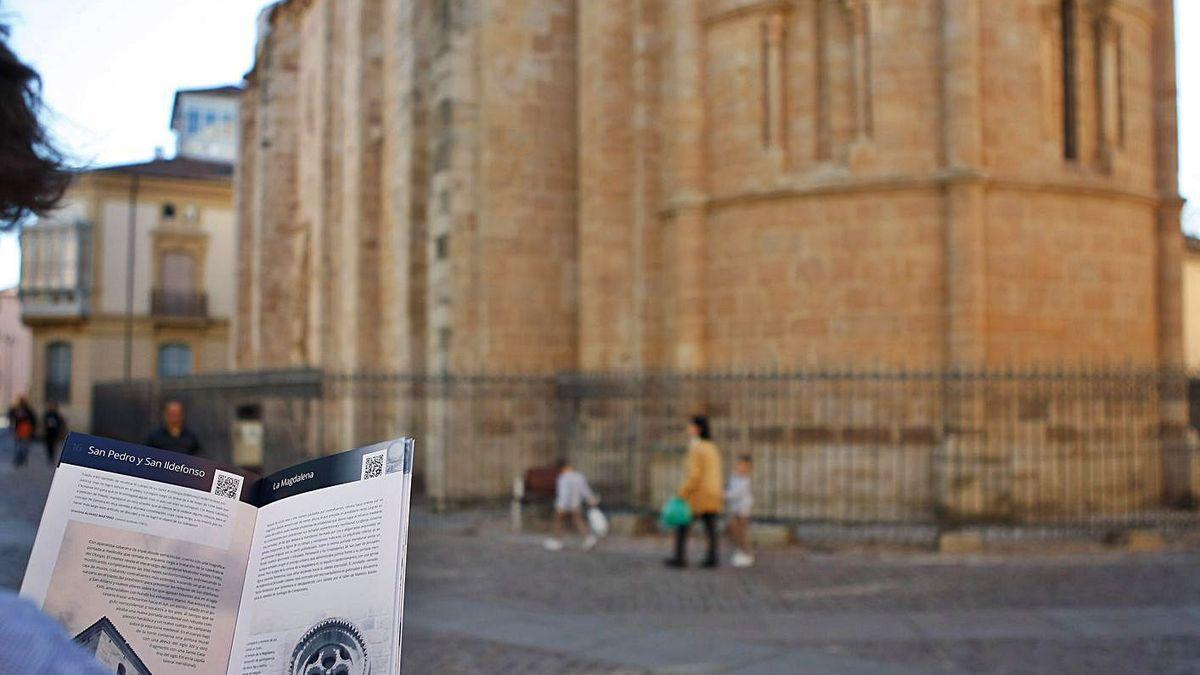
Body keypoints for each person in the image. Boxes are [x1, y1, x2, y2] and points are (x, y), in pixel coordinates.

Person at [665, 415, 723, 569]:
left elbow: (694, 475)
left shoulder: (697, 447)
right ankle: (712, 557)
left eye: (690, 426)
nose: (688, 429)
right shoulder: (711, 446)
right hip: (713, 492)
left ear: (698, 428)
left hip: (700, 494)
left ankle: (679, 557)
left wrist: (682, 492)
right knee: (710, 527)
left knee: (682, 524)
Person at [543, 458, 599, 552]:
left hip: (564, 503)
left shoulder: (563, 478)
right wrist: (591, 499)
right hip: (575, 502)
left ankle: (558, 541)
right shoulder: (579, 476)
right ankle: (589, 538)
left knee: (558, 521)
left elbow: (564, 493)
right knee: (578, 520)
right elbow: (584, 490)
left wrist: (560, 505)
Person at [725, 455, 755, 568]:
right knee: (733, 528)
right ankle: (740, 550)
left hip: (743, 509)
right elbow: (731, 489)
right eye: (739, 465)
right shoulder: (734, 477)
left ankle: (746, 553)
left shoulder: (745, 480)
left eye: (744, 466)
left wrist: (723, 495)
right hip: (735, 508)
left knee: (742, 532)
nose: (740, 468)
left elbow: (736, 493)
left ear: (749, 468)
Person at [7, 395, 35, 466]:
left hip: (26, 430)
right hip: (19, 430)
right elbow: (11, 415)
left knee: (23, 446)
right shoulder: (16, 409)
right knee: (19, 446)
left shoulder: (28, 410)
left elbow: (33, 420)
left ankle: (22, 459)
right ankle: (19, 459)